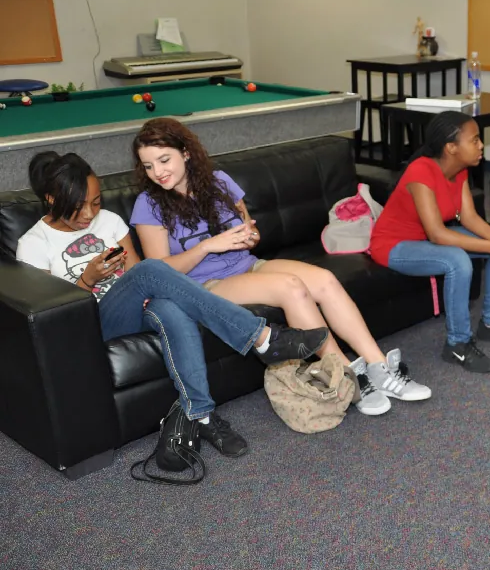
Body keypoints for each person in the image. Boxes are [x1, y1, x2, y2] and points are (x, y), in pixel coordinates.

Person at [16, 151, 330, 472]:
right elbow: (54, 316)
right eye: (77, 205)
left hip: (136, 308)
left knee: (170, 309)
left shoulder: (108, 221)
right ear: (52, 199)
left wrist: (138, 284)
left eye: (95, 202)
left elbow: (140, 275)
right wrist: (88, 279)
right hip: (92, 321)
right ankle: (262, 337)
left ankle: (203, 415)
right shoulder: (34, 244)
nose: (88, 213)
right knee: (154, 270)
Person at [128, 117, 430, 416]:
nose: (158, 172)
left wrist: (249, 236)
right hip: (205, 285)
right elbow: (160, 271)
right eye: (149, 166)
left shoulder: (219, 182)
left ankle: (379, 368)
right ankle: (349, 380)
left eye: (164, 160)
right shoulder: (149, 203)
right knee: (291, 288)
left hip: (247, 265)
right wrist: (208, 245)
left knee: (324, 280)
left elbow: (250, 231)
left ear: (186, 152)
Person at [369, 111, 490, 374]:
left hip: (424, 240)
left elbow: (469, 217)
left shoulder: (459, 171)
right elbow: (437, 234)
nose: (481, 146)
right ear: (451, 147)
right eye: (475, 140)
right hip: (394, 246)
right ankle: (457, 344)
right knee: (457, 259)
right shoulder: (420, 171)